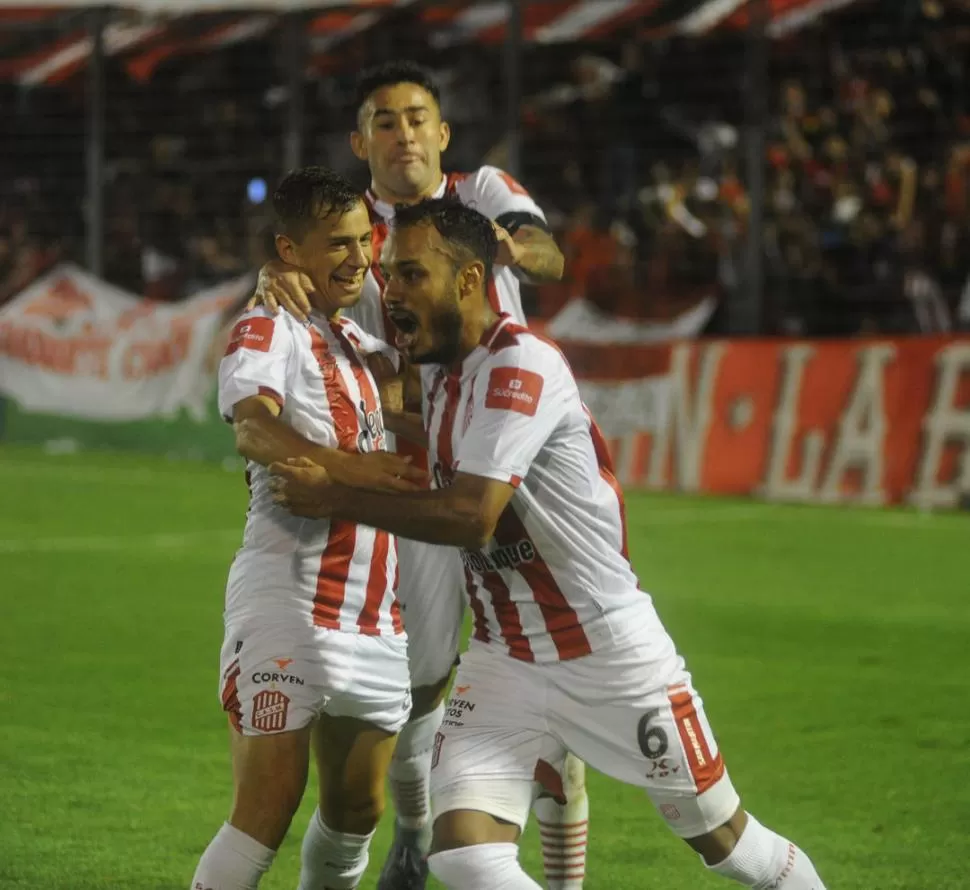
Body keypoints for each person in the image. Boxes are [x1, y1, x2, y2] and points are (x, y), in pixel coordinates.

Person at [269, 198, 829, 890]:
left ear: (469, 281)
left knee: (730, 844)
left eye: (411, 274)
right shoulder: (441, 369)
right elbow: (352, 382)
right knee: (465, 853)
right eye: (389, 275)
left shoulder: (521, 366)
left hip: (606, 651)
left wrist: (336, 497)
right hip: (506, 656)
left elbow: (473, 516)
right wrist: (288, 288)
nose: (392, 292)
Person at [253, 61, 587, 890]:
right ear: (359, 141)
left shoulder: (481, 196)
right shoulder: (352, 229)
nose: (403, 133)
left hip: (510, 459)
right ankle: (413, 824)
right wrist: (279, 276)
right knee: (421, 675)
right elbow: (303, 287)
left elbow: (544, 253)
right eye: (385, 121)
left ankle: (559, 867)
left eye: (417, 118)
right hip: (413, 468)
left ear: (442, 133)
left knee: (564, 672)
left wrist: (520, 247)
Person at [191, 167, 426, 890]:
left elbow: (412, 431)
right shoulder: (269, 325)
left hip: (375, 616)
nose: (357, 258)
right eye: (337, 244)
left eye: (363, 239)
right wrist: (354, 472)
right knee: (265, 812)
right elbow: (253, 429)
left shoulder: (358, 340)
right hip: (288, 601)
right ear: (290, 250)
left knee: (357, 813)